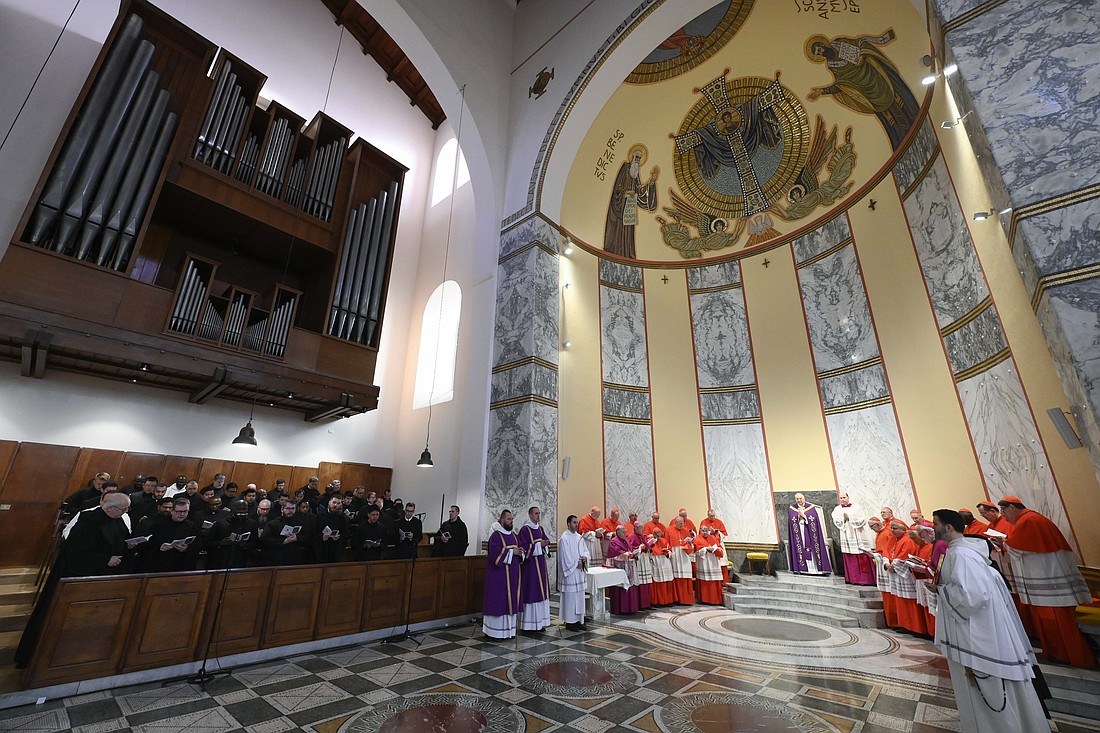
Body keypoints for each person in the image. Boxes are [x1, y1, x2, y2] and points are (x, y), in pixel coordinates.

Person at [931, 509, 1049, 732]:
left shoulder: (961, 556)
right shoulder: (963, 552)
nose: (933, 528)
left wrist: (940, 589)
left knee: (990, 691)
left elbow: (971, 597)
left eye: (935, 524)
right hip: (979, 632)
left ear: (948, 527)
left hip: (978, 636)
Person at [1000, 496, 1094, 668]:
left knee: (1059, 625)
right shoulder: (1030, 519)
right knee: (1053, 624)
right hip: (1047, 584)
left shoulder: (1029, 521)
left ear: (1012, 507)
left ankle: (1070, 656)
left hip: (1050, 584)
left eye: (1004, 511)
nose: (1003, 516)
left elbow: (1017, 548)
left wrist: (1003, 543)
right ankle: (1057, 653)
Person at [805, 30, 919, 150]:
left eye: (820, 48)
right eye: (818, 53)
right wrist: (822, 91)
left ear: (823, 45)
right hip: (867, 92)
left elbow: (860, 43)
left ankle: (915, 122)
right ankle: (903, 142)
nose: (821, 52)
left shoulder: (839, 43)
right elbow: (841, 83)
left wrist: (862, 55)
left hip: (876, 76)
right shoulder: (833, 65)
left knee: (901, 101)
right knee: (889, 117)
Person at [603, 144, 659, 259]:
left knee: (628, 231)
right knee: (620, 230)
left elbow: (639, 189)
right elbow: (617, 189)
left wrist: (652, 182)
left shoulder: (635, 173)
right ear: (632, 157)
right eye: (636, 158)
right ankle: (617, 251)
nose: (638, 161)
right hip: (621, 206)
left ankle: (627, 253)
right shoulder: (625, 168)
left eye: (639, 159)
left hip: (630, 207)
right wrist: (626, 193)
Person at [483, 510, 524, 639]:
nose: (511, 521)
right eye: (508, 519)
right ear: (501, 520)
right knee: (498, 601)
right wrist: (513, 552)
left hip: (513, 576)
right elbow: (495, 555)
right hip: (498, 577)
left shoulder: (514, 536)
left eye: (512, 519)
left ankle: (509, 631)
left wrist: (520, 553)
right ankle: (494, 632)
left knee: (510, 601)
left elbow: (521, 551)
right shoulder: (496, 536)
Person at [887, 519, 927, 635]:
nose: (892, 531)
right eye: (892, 528)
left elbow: (906, 555)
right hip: (899, 574)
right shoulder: (896, 540)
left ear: (903, 529)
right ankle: (906, 625)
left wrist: (893, 565)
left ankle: (916, 627)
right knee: (902, 600)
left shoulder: (907, 540)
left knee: (910, 601)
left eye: (895, 528)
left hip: (906, 575)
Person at [139, 497, 201, 573]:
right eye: (179, 511)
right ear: (172, 511)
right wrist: (159, 547)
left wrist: (187, 548)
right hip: (162, 565)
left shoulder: (192, 526)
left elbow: (198, 544)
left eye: (185, 511)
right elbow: (148, 545)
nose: (182, 514)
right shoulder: (158, 526)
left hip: (183, 566)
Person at [517, 506, 552, 632]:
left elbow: (545, 542)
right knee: (532, 592)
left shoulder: (540, 528)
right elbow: (523, 548)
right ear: (530, 515)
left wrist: (545, 545)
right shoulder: (525, 530)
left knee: (541, 593)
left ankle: (540, 622)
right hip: (530, 568)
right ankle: (529, 625)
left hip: (540, 566)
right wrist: (539, 545)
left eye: (539, 513)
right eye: (536, 513)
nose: (538, 515)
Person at [831, 492, 874, 585]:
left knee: (861, 555)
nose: (842, 499)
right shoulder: (837, 509)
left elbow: (862, 519)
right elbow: (836, 520)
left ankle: (865, 580)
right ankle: (852, 579)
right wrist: (843, 519)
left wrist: (850, 518)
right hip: (846, 534)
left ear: (848, 497)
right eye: (841, 498)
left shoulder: (856, 508)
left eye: (844, 497)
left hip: (858, 534)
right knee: (850, 556)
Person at [557, 514, 590, 631]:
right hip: (571, 574)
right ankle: (570, 622)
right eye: (574, 522)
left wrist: (585, 559)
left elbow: (586, 551)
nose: (576, 524)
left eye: (577, 522)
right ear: (568, 524)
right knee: (571, 598)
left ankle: (579, 621)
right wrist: (576, 564)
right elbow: (564, 557)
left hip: (579, 573)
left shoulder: (579, 537)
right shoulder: (564, 538)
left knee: (580, 597)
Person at [787, 493, 831, 575]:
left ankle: (817, 570)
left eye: (800, 498)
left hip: (810, 533)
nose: (799, 500)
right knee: (801, 547)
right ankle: (802, 569)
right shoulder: (792, 509)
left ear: (804, 498)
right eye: (797, 499)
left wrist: (804, 517)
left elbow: (814, 519)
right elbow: (791, 522)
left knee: (814, 547)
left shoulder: (810, 507)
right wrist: (798, 518)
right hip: (800, 533)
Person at [207, 499, 256, 569]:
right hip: (221, 560)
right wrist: (221, 543)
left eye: (244, 509)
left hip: (241, 560)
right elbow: (207, 543)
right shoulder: (221, 524)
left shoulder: (252, 524)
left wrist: (246, 545)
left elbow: (255, 543)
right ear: (233, 509)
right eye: (238, 509)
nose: (241, 511)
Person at [869, 515, 898, 627]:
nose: (872, 529)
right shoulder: (880, 533)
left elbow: (888, 550)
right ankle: (891, 620)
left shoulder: (886, 533)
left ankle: (894, 621)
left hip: (885, 564)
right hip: (881, 563)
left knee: (890, 592)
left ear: (877, 524)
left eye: (872, 526)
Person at [260, 499, 305, 566]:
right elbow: (264, 540)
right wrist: (284, 541)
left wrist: (297, 538)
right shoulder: (273, 524)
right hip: (277, 558)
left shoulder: (300, 523)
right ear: (282, 509)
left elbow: (307, 537)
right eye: (288, 508)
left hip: (295, 558)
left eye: (293, 508)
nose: (290, 511)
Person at [606, 526, 639, 614]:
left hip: (628, 565)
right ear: (618, 532)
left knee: (630, 585)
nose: (625, 534)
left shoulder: (626, 540)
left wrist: (635, 552)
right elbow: (614, 554)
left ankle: (630, 608)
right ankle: (621, 609)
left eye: (625, 532)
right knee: (620, 586)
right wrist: (624, 554)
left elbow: (630, 549)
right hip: (619, 566)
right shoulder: (614, 541)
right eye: (623, 532)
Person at [666, 516, 695, 605]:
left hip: (684, 555)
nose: (681, 525)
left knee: (686, 576)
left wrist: (690, 542)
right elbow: (666, 542)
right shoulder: (669, 530)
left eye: (682, 523)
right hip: (675, 554)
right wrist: (669, 552)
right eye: (680, 523)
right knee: (676, 576)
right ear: (676, 522)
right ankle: (677, 599)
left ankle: (687, 599)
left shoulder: (685, 530)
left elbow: (690, 542)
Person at [692, 526, 725, 605]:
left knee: (714, 581)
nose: (705, 532)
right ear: (700, 531)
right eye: (703, 531)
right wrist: (706, 549)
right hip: (704, 563)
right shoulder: (697, 539)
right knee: (705, 582)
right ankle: (705, 599)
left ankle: (715, 600)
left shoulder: (713, 538)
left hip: (713, 563)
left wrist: (716, 550)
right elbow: (696, 551)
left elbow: (720, 549)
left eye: (706, 530)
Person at [314, 494, 349, 564]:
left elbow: (345, 535)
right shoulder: (319, 517)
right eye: (334, 502)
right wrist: (321, 537)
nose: (335, 505)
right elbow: (313, 534)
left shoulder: (342, 519)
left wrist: (338, 538)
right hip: (321, 551)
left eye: (338, 503)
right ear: (329, 502)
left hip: (335, 551)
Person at [628, 521, 653, 609]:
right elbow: (630, 549)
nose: (642, 530)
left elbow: (646, 544)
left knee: (646, 582)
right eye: (641, 528)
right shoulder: (632, 536)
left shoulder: (642, 536)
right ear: (635, 528)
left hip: (645, 560)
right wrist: (639, 548)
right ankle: (640, 604)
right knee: (640, 582)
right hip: (639, 561)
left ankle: (646, 603)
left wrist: (649, 545)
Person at [650, 528, 675, 606]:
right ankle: (658, 601)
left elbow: (670, 550)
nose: (658, 535)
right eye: (657, 533)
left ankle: (667, 600)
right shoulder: (651, 542)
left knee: (667, 581)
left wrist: (667, 553)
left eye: (660, 533)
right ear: (653, 534)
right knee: (658, 582)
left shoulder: (664, 540)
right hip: (656, 562)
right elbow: (649, 552)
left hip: (665, 562)